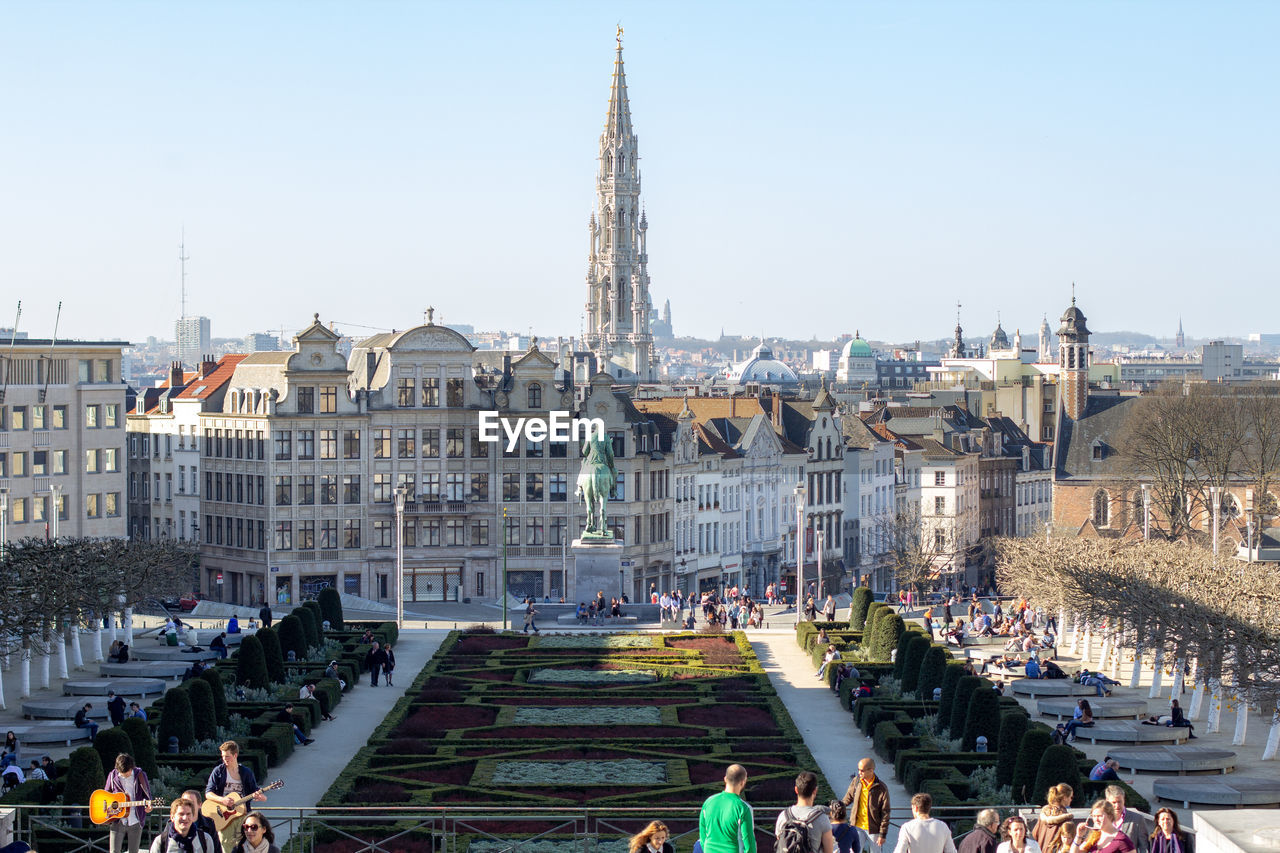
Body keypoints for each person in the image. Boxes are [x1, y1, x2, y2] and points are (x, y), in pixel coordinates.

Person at [205, 741, 267, 853]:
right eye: (223, 757)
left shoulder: (246, 772)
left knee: (246, 844)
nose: (225, 759)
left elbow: (255, 790)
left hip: (242, 814)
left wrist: (261, 797)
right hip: (224, 816)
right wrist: (222, 800)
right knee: (225, 844)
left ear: (235, 755)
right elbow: (208, 793)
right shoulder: (218, 771)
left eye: (227, 757)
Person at [698, 764, 756, 853]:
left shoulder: (708, 802)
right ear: (743, 782)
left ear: (725, 779)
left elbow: (702, 837)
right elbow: (749, 844)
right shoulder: (743, 808)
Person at [103, 753, 153, 853]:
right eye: (122, 773)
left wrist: (149, 805)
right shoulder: (112, 776)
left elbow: (148, 795)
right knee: (114, 851)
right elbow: (105, 795)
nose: (126, 775)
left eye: (128, 772)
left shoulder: (140, 775)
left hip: (135, 820)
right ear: (117, 769)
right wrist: (109, 807)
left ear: (132, 767)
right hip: (117, 820)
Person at [775, 770, 833, 853]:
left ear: (796, 790)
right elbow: (829, 851)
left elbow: (781, 844)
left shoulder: (783, 816)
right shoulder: (822, 819)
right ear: (815, 791)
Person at [841, 757, 889, 849]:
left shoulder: (881, 787)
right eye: (858, 770)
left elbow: (885, 812)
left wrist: (882, 834)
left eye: (862, 770)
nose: (859, 773)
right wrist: (837, 807)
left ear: (871, 770)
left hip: (874, 829)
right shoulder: (856, 781)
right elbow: (848, 798)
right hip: (857, 826)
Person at [148, 797, 218, 853]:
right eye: (181, 814)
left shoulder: (205, 840)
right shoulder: (161, 842)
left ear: (193, 816)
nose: (185, 818)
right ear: (172, 817)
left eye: (188, 814)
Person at [1070, 800, 1134, 853]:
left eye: (1100, 816)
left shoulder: (1122, 840)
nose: (1096, 820)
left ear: (1110, 816)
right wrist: (1079, 836)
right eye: (1094, 816)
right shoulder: (1094, 836)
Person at [1105, 786, 1151, 853]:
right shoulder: (1101, 819)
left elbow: (1144, 847)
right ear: (1107, 801)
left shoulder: (1137, 819)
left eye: (1119, 802)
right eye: (1114, 802)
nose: (1117, 806)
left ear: (1124, 800)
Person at [1032, 784, 1073, 852]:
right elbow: (1068, 840)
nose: (1071, 800)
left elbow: (1034, 835)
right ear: (1065, 797)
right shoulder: (1066, 817)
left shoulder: (1044, 813)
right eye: (1070, 797)